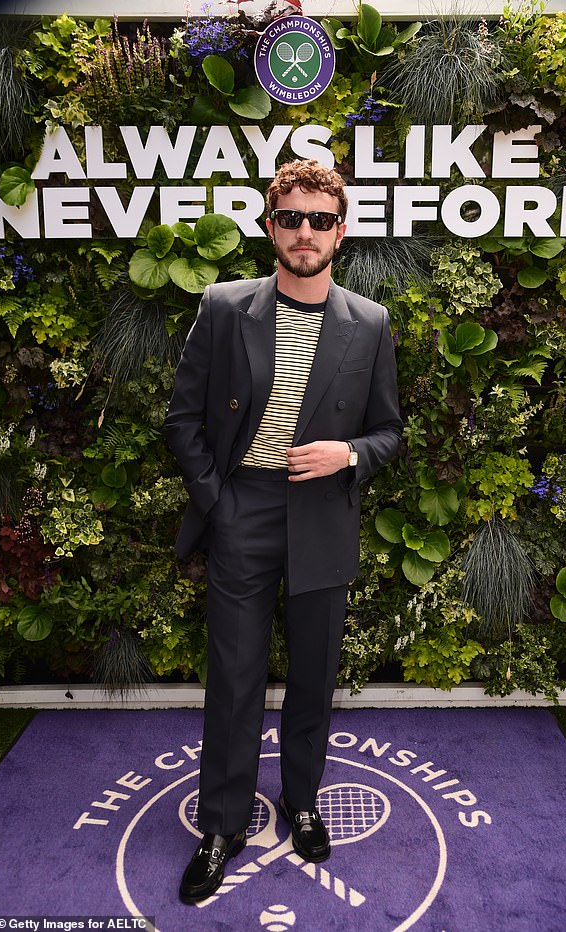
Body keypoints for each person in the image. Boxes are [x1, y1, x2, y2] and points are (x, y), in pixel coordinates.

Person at [163, 158, 402, 905]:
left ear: (342, 229)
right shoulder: (225, 306)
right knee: (232, 679)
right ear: (271, 225)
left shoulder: (371, 321)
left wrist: (350, 454)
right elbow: (182, 420)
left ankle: (302, 802)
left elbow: (390, 431)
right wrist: (222, 503)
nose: (305, 233)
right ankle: (223, 826)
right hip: (247, 510)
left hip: (324, 510)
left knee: (312, 676)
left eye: (320, 220)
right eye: (291, 218)